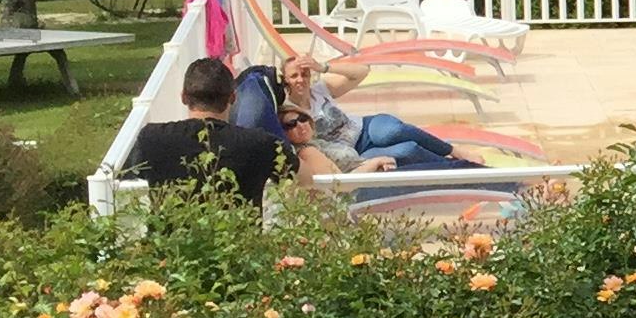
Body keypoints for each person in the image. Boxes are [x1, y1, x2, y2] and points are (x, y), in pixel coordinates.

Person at [126, 56, 293, 205]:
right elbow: (304, 178)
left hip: (172, 240)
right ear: (233, 98)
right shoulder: (261, 143)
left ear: (184, 97)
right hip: (238, 239)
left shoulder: (152, 138)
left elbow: (128, 176)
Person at [279, 53, 481, 172]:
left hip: (365, 128)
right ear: (285, 80)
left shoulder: (320, 89)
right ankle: (457, 168)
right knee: (408, 150)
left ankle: (453, 151)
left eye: (304, 73)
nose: (300, 79)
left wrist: (322, 66)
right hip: (356, 151)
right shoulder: (290, 113)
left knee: (391, 131)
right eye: (294, 75)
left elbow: (362, 71)